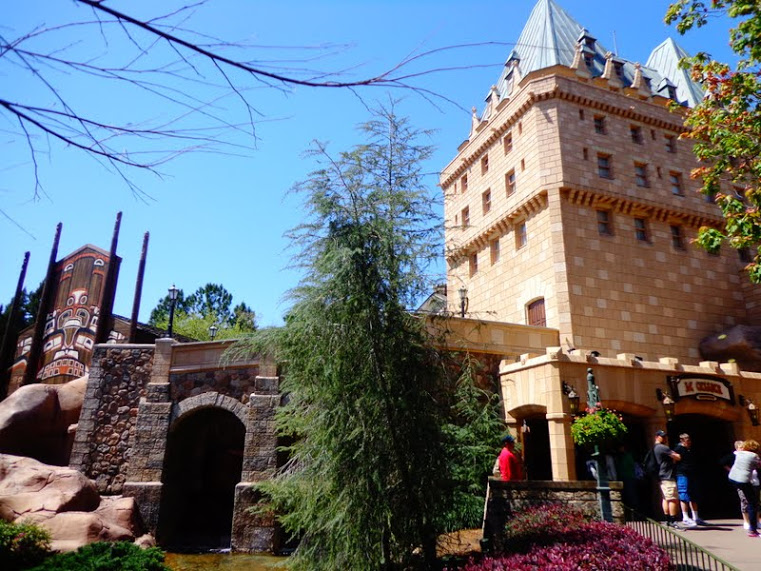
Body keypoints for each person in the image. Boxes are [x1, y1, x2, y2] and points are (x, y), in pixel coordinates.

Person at [728, 439, 761, 538]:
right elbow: (758, 466)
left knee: (750, 501)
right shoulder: (755, 456)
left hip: (732, 478)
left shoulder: (739, 453)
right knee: (753, 504)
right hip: (743, 480)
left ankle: (752, 527)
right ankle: (753, 530)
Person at [673, 433, 705, 527]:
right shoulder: (678, 449)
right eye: (687, 440)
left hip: (692, 474)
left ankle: (696, 517)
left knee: (693, 495)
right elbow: (674, 461)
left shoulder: (690, 449)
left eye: (689, 440)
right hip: (682, 474)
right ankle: (685, 517)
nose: (689, 442)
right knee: (684, 494)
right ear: (682, 440)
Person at [653, 430, 682, 528]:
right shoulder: (662, 447)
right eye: (662, 436)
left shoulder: (654, 448)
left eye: (665, 436)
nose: (665, 438)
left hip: (661, 476)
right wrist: (675, 456)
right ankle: (673, 520)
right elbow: (678, 457)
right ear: (657, 437)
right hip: (667, 476)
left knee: (665, 498)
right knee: (672, 499)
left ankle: (667, 519)